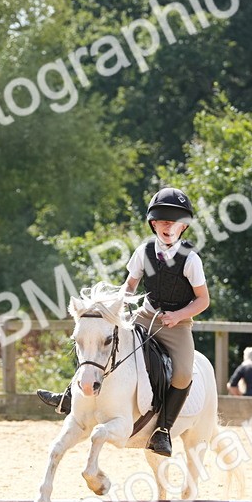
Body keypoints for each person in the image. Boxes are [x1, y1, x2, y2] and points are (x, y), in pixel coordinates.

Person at [37, 187, 210, 456]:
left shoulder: (191, 260)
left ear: (183, 227)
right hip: (144, 315)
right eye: (162, 221)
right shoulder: (144, 252)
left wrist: (178, 316)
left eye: (173, 222)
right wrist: (115, 311)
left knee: (183, 374)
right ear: (153, 224)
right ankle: (68, 397)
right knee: (101, 341)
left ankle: (162, 430)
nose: (168, 227)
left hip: (177, 325)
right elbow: (129, 286)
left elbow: (203, 301)